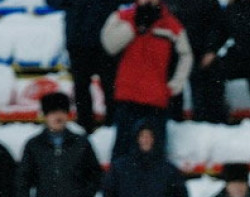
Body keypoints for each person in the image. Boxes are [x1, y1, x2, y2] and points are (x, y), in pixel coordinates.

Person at [16, 92, 104, 197]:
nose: (58, 116)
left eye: (62, 111)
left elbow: (95, 175)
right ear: (45, 116)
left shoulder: (81, 142)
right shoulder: (34, 145)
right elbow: (23, 181)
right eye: (53, 112)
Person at [101, 0, 193, 159]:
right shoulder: (121, 17)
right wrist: (133, 26)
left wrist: (175, 85)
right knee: (122, 154)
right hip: (127, 98)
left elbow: (186, 55)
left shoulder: (171, 24)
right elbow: (109, 45)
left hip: (156, 101)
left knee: (154, 155)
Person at [45, 0, 122, 132]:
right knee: (81, 87)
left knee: (110, 87)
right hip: (78, 40)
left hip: (106, 40)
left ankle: (112, 126)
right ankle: (85, 128)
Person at [165, 0, 229, 123]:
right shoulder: (166, 4)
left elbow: (219, 26)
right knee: (171, 89)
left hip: (201, 53)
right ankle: (174, 123)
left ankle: (209, 125)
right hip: (173, 54)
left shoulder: (207, 3)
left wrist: (211, 50)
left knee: (209, 84)